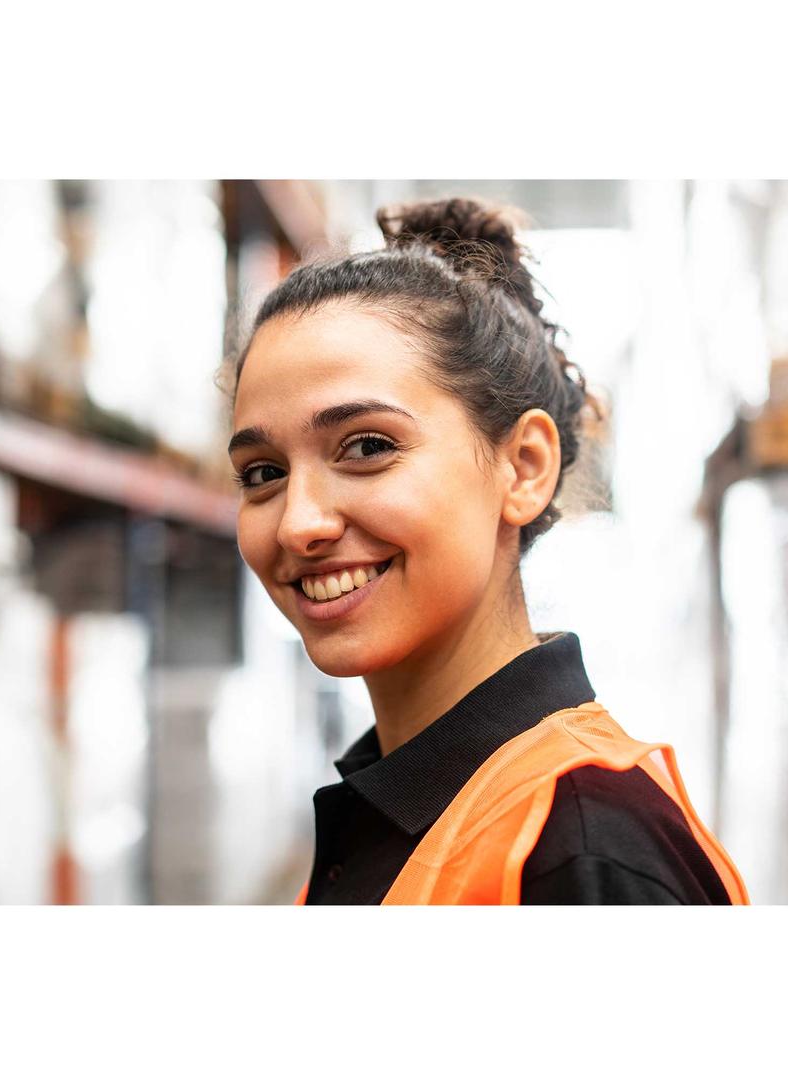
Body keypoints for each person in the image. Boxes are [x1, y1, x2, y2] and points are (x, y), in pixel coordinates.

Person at [224, 195, 749, 905]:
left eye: (368, 447)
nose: (297, 524)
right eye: (263, 474)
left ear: (524, 467)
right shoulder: (397, 807)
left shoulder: (582, 848)